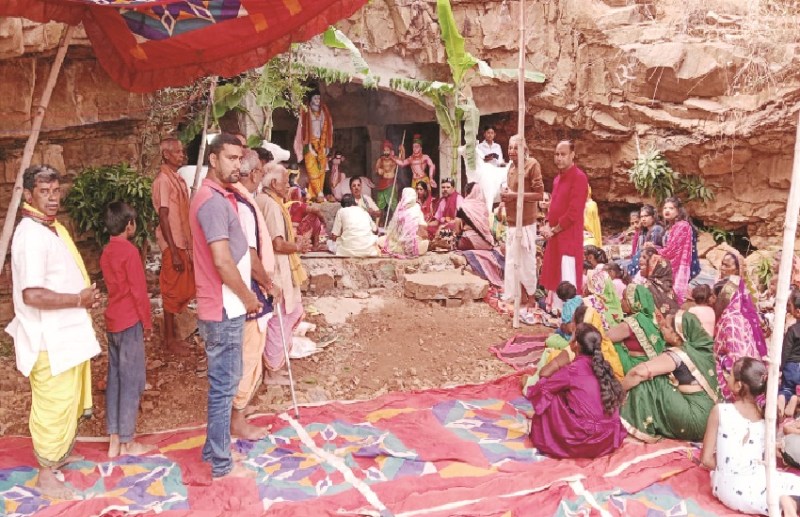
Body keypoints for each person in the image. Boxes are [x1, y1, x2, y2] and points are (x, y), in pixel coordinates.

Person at [6, 165, 102, 498]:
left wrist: (85, 297)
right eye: (44, 192)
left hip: (67, 334)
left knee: (67, 402)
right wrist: (79, 298)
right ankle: (46, 473)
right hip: (49, 339)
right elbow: (31, 294)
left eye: (55, 191)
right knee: (53, 406)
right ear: (28, 196)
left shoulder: (51, 228)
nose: (52, 198)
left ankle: (59, 455)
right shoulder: (30, 236)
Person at [190, 133, 262, 479]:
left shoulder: (220, 197)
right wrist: (248, 297)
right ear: (213, 160)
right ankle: (221, 463)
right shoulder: (212, 202)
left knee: (225, 383)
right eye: (231, 158)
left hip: (226, 307)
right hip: (224, 309)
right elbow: (221, 260)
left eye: (240, 158)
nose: (238, 164)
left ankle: (212, 448)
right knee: (223, 387)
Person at [701, 357, 800, 516]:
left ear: (739, 385)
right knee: (788, 484)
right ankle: (787, 501)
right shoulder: (766, 418)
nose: (727, 377)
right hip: (753, 480)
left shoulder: (720, 411)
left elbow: (706, 460)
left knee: (768, 492)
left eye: (730, 375)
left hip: (729, 488)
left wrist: (728, 468)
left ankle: (785, 502)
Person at [99, 201, 155, 458]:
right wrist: (147, 322)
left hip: (113, 321)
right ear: (129, 225)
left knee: (116, 379)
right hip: (130, 320)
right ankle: (128, 440)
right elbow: (138, 292)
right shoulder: (130, 252)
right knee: (132, 381)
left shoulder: (107, 251)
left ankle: (114, 438)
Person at [526, 323, 626, 459]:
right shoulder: (604, 367)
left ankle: (547, 439)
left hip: (584, 442)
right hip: (607, 440)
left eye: (572, 338)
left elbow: (543, 383)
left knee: (550, 395)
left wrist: (556, 363)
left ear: (576, 345)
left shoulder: (573, 369)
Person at [229, 150, 275, 440]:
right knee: (247, 356)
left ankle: (239, 414)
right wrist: (269, 284)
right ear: (255, 174)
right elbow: (250, 252)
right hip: (250, 290)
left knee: (246, 355)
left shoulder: (237, 200)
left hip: (244, 289)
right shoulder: (242, 205)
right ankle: (237, 420)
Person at [621, 311, 719, 442]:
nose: (661, 327)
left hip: (695, 419)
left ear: (678, 336)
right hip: (712, 419)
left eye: (667, 327)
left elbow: (638, 372)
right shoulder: (702, 350)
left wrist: (619, 391)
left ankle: (638, 431)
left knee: (650, 380)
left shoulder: (679, 354)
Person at [262, 163, 311, 384]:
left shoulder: (265, 201)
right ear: (273, 183)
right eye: (285, 182)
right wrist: (298, 247)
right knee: (281, 318)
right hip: (277, 270)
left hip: (272, 268)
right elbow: (278, 244)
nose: (288, 186)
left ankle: (275, 364)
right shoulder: (272, 206)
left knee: (281, 317)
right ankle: (273, 370)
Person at [152, 138, 195, 356]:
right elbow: (163, 215)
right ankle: (169, 340)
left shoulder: (176, 179)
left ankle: (174, 336)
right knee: (170, 292)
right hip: (174, 246)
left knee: (185, 288)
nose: (182, 155)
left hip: (184, 244)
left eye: (182, 151)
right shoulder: (163, 181)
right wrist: (174, 250)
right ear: (166, 155)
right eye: (177, 152)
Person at [501, 134, 545, 317]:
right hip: (512, 221)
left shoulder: (532, 165)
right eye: (509, 148)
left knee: (526, 261)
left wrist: (515, 196)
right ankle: (516, 296)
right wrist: (505, 199)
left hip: (526, 221)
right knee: (512, 261)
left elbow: (539, 194)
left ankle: (530, 297)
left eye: (515, 148)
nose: (511, 151)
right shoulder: (511, 168)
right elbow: (511, 192)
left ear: (524, 149)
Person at [540, 140, 589, 299]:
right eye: (556, 154)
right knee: (555, 271)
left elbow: (574, 212)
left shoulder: (579, 178)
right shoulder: (556, 179)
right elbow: (553, 204)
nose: (559, 158)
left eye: (563, 154)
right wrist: (547, 224)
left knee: (567, 273)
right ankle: (556, 310)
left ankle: (569, 315)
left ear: (572, 155)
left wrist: (554, 230)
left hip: (568, 236)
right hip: (555, 235)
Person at [713, 276, 768, 401]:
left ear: (723, 298)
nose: (714, 301)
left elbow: (735, 355)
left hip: (740, 374)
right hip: (752, 370)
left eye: (716, 298)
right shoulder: (742, 316)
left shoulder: (730, 321)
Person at [607, 284, 666, 374]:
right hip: (652, 368)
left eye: (624, 299)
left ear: (633, 302)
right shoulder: (652, 318)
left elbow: (605, 337)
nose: (620, 301)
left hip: (634, 368)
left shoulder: (633, 322)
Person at [650, 196, 700, 304]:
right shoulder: (670, 227)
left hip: (679, 265)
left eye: (671, 208)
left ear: (678, 211)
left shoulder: (682, 226)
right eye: (665, 208)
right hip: (668, 260)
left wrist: (654, 249)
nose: (667, 210)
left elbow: (672, 251)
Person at [294, 90, 333, 201]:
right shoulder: (306, 112)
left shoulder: (324, 112)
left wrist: (326, 146)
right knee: (312, 168)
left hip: (322, 144)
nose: (317, 100)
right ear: (310, 100)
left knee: (321, 170)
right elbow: (301, 130)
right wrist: (309, 145)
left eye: (319, 98)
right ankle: (319, 193)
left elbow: (329, 129)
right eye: (315, 98)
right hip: (309, 143)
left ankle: (315, 195)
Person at [379, 187, 430, 257]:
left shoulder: (400, 207)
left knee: (381, 240)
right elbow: (423, 227)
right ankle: (409, 248)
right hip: (409, 242)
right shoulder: (416, 207)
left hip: (399, 241)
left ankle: (402, 247)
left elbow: (393, 229)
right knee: (424, 243)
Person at [637, 247, 680, 318]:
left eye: (644, 257)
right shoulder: (670, 290)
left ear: (654, 267)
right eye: (640, 257)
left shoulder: (646, 287)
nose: (640, 260)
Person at [455, 183, 495, 251]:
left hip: (468, 242)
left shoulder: (463, 207)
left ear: (466, 193)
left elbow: (457, 231)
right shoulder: (484, 207)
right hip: (487, 243)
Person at [779, 291, 800, 419]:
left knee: (786, 388)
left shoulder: (792, 330)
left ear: (797, 312)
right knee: (797, 390)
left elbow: (785, 351)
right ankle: (795, 399)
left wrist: (781, 369)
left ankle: (783, 399)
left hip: (791, 366)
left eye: (790, 306)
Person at [628, 204, 664, 277]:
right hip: (642, 260)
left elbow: (653, 251)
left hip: (651, 262)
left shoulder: (657, 229)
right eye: (642, 217)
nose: (643, 219)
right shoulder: (643, 232)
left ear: (653, 217)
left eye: (646, 216)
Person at [374, 140, 400, 215]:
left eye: (387, 150)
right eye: (384, 150)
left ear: (391, 151)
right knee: (380, 203)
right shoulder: (380, 160)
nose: (386, 152)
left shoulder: (394, 159)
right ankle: (380, 221)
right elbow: (376, 170)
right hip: (383, 183)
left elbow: (402, 161)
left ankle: (394, 220)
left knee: (393, 202)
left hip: (391, 183)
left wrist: (403, 150)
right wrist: (379, 170)